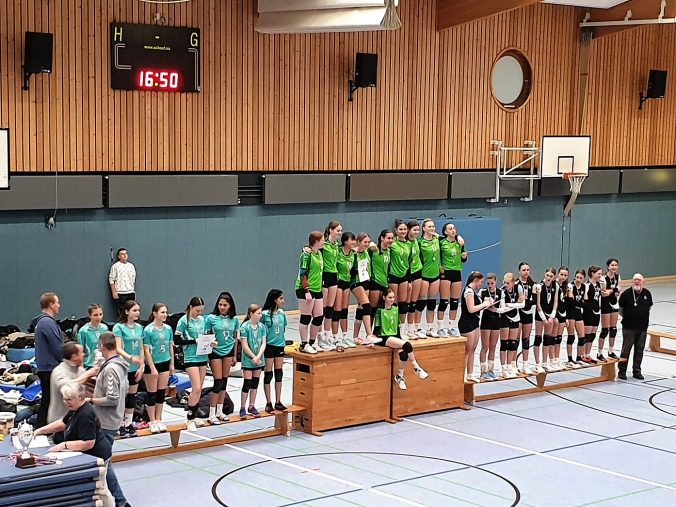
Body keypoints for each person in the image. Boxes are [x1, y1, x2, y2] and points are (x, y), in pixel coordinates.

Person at [35, 382, 117, 507]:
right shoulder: (75, 408)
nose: (66, 402)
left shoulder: (85, 414)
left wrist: (64, 445)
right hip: (91, 454)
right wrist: (40, 431)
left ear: (80, 397)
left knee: (101, 489)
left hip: (97, 454)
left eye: (69, 399)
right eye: (64, 399)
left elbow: (88, 443)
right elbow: (62, 423)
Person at [89, 331, 131, 507]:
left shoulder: (111, 369)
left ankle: (120, 501)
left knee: (104, 463)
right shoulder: (119, 366)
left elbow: (112, 398)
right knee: (105, 462)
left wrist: (91, 400)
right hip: (112, 419)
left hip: (107, 422)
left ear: (102, 346)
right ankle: (119, 501)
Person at [373, 288, 428, 390]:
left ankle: (399, 376)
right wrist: (373, 339)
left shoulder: (395, 308)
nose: (392, 299)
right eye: (389, 297)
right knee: (407, 345)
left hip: (394, 336)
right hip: (383, 337)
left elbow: (397, 326)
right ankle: (416, 367)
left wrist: (399, 339)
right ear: (384, 298)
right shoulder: (379, 310)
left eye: (393, 297)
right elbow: (376, 328)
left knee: (403, 354)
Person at [176, 296, 212, 431]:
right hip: (191, 357)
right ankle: (189, 418)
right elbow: (177, 340)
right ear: (191, 307)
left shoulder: (202, 320)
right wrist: (193, 341)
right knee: (196, 387)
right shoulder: (183, 321)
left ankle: (195, 414)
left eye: (201, 310)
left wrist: (210, 343)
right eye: (197, 310)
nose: (199, 313)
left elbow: (204, 337)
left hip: (202, 356)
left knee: (199, 388)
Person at [203, 293, 239, 424]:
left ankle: (220, 411)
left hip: (228, 351)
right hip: (215, 352)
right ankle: (211, 413)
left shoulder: (234, 320)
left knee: (224, 381)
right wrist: (207, 354)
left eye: (225, 305)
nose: (222, 307)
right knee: (218, 381)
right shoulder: (211, 318)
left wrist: (234, 355)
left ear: (230, 306)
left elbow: (235, 338)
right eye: (220, 304)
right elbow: (206, 336)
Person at [112, 300, 144, 437]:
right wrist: (130, 358)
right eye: (134, 310)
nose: (137, 313)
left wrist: (141, 366)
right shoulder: (118, 327)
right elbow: (118, 348)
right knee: (121, 397)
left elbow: (141, 348)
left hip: (135, 367)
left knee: (132, 395)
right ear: (126, 312)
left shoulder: (139, 327)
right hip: (123, 366)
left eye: (138, 310)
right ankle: (118, 424)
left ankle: (128, 423)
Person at [31, 292, 63, 428]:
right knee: (49, 400)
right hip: (49, 368)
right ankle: (41, 428)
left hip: (46, 366)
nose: (59, 305)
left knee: (48, 399)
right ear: (51, 304)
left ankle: (42, 428)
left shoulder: (42, 322)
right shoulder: (47, 323)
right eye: (57, 302)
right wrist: (65, 360)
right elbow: (57, 347)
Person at [143, 303, 174, 433]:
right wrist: (152, 368)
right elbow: (146, 350)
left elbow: (170, 346)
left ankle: (159, 418)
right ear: (155, 313)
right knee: (152, 393)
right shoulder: (148, 330)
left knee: (161, 393)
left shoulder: (168, 329)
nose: (165, 315)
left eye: (166, 312)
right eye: (162, 312)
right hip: (152, 364)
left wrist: (172, 364)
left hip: (165, 362)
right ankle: (152, 421)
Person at [48, 342, 98, 424]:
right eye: (81, 352)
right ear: (74, 356)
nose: (84, 354)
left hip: (77, 419)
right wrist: (87, 374)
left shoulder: (81, 370)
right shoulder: (59, 371)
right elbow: (67, 388)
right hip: (60, 420)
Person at [459, 272, 495, 382]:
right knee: (467, 350)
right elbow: (471, 309)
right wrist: (484, 304)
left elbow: (477, 308)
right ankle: (461, 376)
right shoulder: (468, 291)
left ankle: (470, 374)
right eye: (481, 282)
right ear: (475, 280)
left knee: (472, 349)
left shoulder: (473, 292)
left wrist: (486, 304)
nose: (481, 284)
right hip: (467, 323)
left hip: (475, 322)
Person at [617, 274, 653, 380]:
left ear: (643, 282)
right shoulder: (626, 294)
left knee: (639, 350)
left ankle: (637, 371)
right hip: (629, 328)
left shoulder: (647, 293)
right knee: (626, 350)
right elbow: (620, 310)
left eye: (639, 280)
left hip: (642, 328)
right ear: (632, 282)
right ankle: (622, 371)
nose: (637, 282)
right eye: (635, 280)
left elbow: (649, 307)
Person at [295, 232, 325, 354]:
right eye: (322, 240)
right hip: (306, 289)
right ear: (316, 241)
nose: (324, 242)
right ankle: (304, 344)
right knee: (306, 317)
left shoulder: (319, 253)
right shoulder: (306, 255)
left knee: (318, 317)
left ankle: (312, 342)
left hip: (317, 289)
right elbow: (303, 273)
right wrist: (306, 290)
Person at [261, 289, 288, 413]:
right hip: (269, 346)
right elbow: (260, 329)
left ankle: (278, 401)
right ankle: (268, 402)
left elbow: (283, 329)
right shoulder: (265, 314)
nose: (283, 301)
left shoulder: (282, 313)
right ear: (274, 300)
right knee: (268, 374)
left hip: (280, 346)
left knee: (279, 373)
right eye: (281, 298)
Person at [439, 223, 467, 336]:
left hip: (457, 272)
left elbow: (463, 258)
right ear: (445, 232)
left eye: (454, 228)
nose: (453, 230)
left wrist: (464, 256)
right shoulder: (441, 242)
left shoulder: (460, 242)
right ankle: (440, 327)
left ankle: (452, 326)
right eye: (450, 229)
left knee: (455, 301)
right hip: (446, 272)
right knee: (444, 301)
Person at [239, 304, 267, 418]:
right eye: (258, 313)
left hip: (259, 360)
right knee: (247, 384)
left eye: (261, 313)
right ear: (251, 314)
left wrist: (258, 356)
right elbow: (244, 345)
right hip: (248, 360)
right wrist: (253, 357)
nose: (260, 315)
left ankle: (251, 406)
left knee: (255, 383)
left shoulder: (262, 327)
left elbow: (263, 343)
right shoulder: (245, 327)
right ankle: (242, 407)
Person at [416, 219, 442, 338]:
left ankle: (430, 328)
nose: (432, 228)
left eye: (433, 226)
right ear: (424, 228)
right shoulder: (420, 242)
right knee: (421, 302)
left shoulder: (438, 240)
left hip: (435, 275)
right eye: (429, 227)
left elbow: (451, 239)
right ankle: (417, 328)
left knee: (432, 303)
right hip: (424, 275)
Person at [350, 232, 378, 343]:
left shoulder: (367, 251)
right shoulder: (354, 253)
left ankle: (355, 337)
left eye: (368, 242)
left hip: (366, 281)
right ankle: (369, 334)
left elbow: (375, 247)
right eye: (364, 242)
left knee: (361, 308)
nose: (366, 244)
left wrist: (372, 245)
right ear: (358, 242)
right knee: (367, 306)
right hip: (356, 282)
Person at [498, 273, 524, 378]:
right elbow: (503, 309)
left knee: (513, 343)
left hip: (515, 317)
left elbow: (523, 304)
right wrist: (516, 304)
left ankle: (510, 366)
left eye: (508, 283)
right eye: (504, 282)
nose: (505, 284)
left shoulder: (518, 288)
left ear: (513, 282)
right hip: (504, 318)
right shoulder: (502, 291)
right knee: (504, 344)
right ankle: (503, 368)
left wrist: (511, 304)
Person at [320, 221, 342, 350]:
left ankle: (327, 337)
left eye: (341, 231)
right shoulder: (324, 244)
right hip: (325, 276)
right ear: (330, 230)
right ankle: (319, 337)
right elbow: (311, 247)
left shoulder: (336, 245)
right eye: (338, 230)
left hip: (334, 276)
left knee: (330, 309)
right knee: (321, 310)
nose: (340, 233)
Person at [333, 232, 357, 348]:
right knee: (336, 311)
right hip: (338, 282)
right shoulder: (338, 252)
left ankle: (344, 337)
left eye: (354, 240)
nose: (354, 242)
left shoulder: (353, 254)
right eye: (352, 240)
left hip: (347, 282)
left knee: (344, 311)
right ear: (345, 241)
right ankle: (334, 338)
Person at [389, 220, 412, 337]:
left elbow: (409, 262)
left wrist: (409, 280)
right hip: (393, 275)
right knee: (393, 303)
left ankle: (402, 330)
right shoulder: (392, 243)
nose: (403, 231)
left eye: (404, 229)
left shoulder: (409, 244)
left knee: (403, 304)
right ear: (396, 231)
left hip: (404, 276)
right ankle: (393, 329)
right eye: (401, 229)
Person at [535, 267, 559, 372]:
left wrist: (552, 316)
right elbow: (538, 304)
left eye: (551, 276)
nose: (549, 278)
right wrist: (544, 319)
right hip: (540, 315)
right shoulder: (539, 286)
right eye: (547, 275)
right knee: (538, 338)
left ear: (554, 276)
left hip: (550, 316)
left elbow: (555, 302)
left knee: (547, 339)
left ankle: (545, 362)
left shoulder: (555, 285)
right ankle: (537, 363)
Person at [479, 273, 502, 380]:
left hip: (496, 321)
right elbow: (478, 306)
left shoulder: (500, 292)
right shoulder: (482, 292)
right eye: (488, 283)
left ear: (496, 282)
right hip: (486, 321)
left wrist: (496, 309)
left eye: (492, 283)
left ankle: (491, 370)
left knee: (493, 346)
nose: (490, 285)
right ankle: (483, 371)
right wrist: (485, 305)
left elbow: (503, 308)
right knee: (485, 347)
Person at [515, 262, 536, 374]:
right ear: (519, 271)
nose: (526, 272)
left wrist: (525, 302)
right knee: (515, 340)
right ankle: (512, 365)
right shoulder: (515, 284)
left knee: (526, 340)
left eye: (527, 270)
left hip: (528, 314)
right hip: (518, 314)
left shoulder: (532, 284)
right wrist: (519, 301)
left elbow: (534, 300)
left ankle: (525, 365)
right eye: (523, 270)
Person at [599, 258, 621, 360]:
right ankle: (599, 353)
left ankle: (611, 351)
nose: (614, 267)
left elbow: (617, 292)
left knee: (613, 329)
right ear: (608, 266)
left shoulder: (617, 277)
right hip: (605, 304)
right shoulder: (603, 278)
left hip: (614, 303)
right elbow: (604, 293)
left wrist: (611, 291)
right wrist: (614, 290)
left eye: (616, 265)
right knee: (605, 330)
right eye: (612, 265)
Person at [406, 220, 424, 337]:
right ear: (408, 230)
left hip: (417, 271)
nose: (416, 232)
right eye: (414, 230)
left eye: (418, 230)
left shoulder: (418, 241)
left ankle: (412, 329)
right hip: (407, 273)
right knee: (406, 303)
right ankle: (403, 328)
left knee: (414, 302)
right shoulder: (404, 243)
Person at [582, 266, 603, 364]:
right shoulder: (587, 285)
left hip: (596, 312)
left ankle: (588, 354)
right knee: (586, 335)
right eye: (599, 274)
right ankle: (582, 355)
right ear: (592, 274)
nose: (600, 275)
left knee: (592, 335)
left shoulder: (598, 284)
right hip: (588, 312)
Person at [77, 304, 108, 369]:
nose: (99, 317)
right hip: (90, 365)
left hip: (103, 364)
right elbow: (80, 350)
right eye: (95, 315)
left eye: (100, 314)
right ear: (89, 315)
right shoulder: (83, 331)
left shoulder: (104, 328)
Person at [568, 269, 588, 366]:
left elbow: (586, 303)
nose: (578, 280)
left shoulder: (584, 287)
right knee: (571, 337)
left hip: (578, 313)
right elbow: (571, 302)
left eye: (581, 278)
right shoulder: (570, 286)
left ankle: (579, 357)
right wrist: (580, 303)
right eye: (577, 277)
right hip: (570, 313)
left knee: (582, 337)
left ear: (584, 278)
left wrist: (579, 303)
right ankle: (570, 359)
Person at [109, 248, 137, 317]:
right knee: (122, 312)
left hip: (130, 292)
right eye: (122, 254)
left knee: (132, 310)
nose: (125, 255)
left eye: (126, 253)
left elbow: (133, 279)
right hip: (120, 293)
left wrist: (132, 290)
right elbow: (111, 279)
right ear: (119, 256)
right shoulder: (115, 266)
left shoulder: (131, 266)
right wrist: (114, 292)